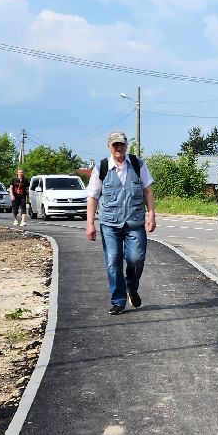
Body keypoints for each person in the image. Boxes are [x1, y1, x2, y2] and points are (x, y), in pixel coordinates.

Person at [85, 130, 155, 315]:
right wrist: (90, 223)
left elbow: (148, 190)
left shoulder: (138, 164)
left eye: (121, 144)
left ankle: (131, 288)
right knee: (113, 261)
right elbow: (92, 197)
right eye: (115, 145)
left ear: (126, 146)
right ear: (109, 146)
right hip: (109, 223)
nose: (118, 148)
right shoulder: (101, 167)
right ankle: (118, 300)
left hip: (135, 221)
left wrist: (152, 214)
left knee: (136, 258)